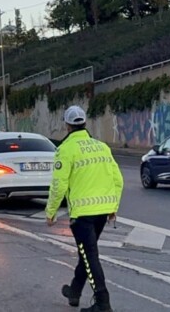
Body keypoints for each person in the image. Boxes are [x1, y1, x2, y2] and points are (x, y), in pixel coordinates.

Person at [46, 106, 123, 312]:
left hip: (82, 214)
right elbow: (118, 180)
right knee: (86, 253)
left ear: (67, 125)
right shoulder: (102, 146)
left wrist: (51, 211)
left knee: (89, 254)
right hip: (102, 212)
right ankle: (74, 291)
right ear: (84, 123)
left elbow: (59, 185)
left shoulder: (65, 149)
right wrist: (113, 207)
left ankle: (102, 302)